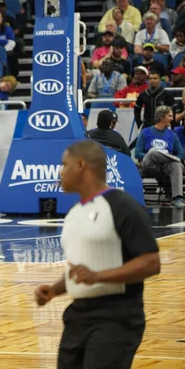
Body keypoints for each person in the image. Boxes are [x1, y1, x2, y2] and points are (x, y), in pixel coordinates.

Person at [34, 139, 160, 368]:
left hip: (117, 316)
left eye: (64, 165)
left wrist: (99, 276)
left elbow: (151, 262)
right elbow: (81, 268)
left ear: (81, 165)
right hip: (78, 315)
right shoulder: (74, 213)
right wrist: (54, 289)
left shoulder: (123, 206)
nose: (60, 172)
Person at [135, 105, 185, 207]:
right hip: (149, 164)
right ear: (162, 117)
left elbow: (181, 154)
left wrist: (166, 157)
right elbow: (137, 153)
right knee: (153, 151)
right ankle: (168, 157)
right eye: (170, 116)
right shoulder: (145, 132)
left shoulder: (172, 135)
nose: (172, 118)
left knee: (176, 165)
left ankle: (177, 198)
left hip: (165, 166)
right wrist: (154, 155)